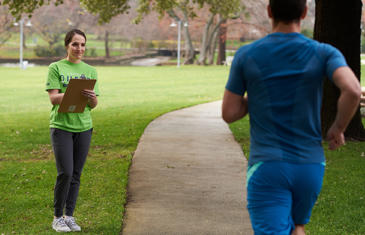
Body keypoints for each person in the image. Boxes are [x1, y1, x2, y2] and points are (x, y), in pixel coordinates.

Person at [222, 0, 361, 234]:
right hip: (311, 166)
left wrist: (256, 97)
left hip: (268, 167)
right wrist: (338, 128)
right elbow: (353, 90)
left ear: (269, 11)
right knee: (298, 227)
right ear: (305, 12)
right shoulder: (324, 52)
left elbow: (229, 113)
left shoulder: (247, 54)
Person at [46, 29, 100, 232]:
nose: (79, 48)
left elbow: (93, 104)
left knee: (76, 173)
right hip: (61, 127)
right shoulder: (56, 67)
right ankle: (57, 217)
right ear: (67, 45)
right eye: (75, 44)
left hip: (84, 126)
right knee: (65, 173)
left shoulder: (91, 70)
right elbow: (53, 98)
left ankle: (69, 215)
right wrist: (73, 91)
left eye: (83, 44)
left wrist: (91, 97)